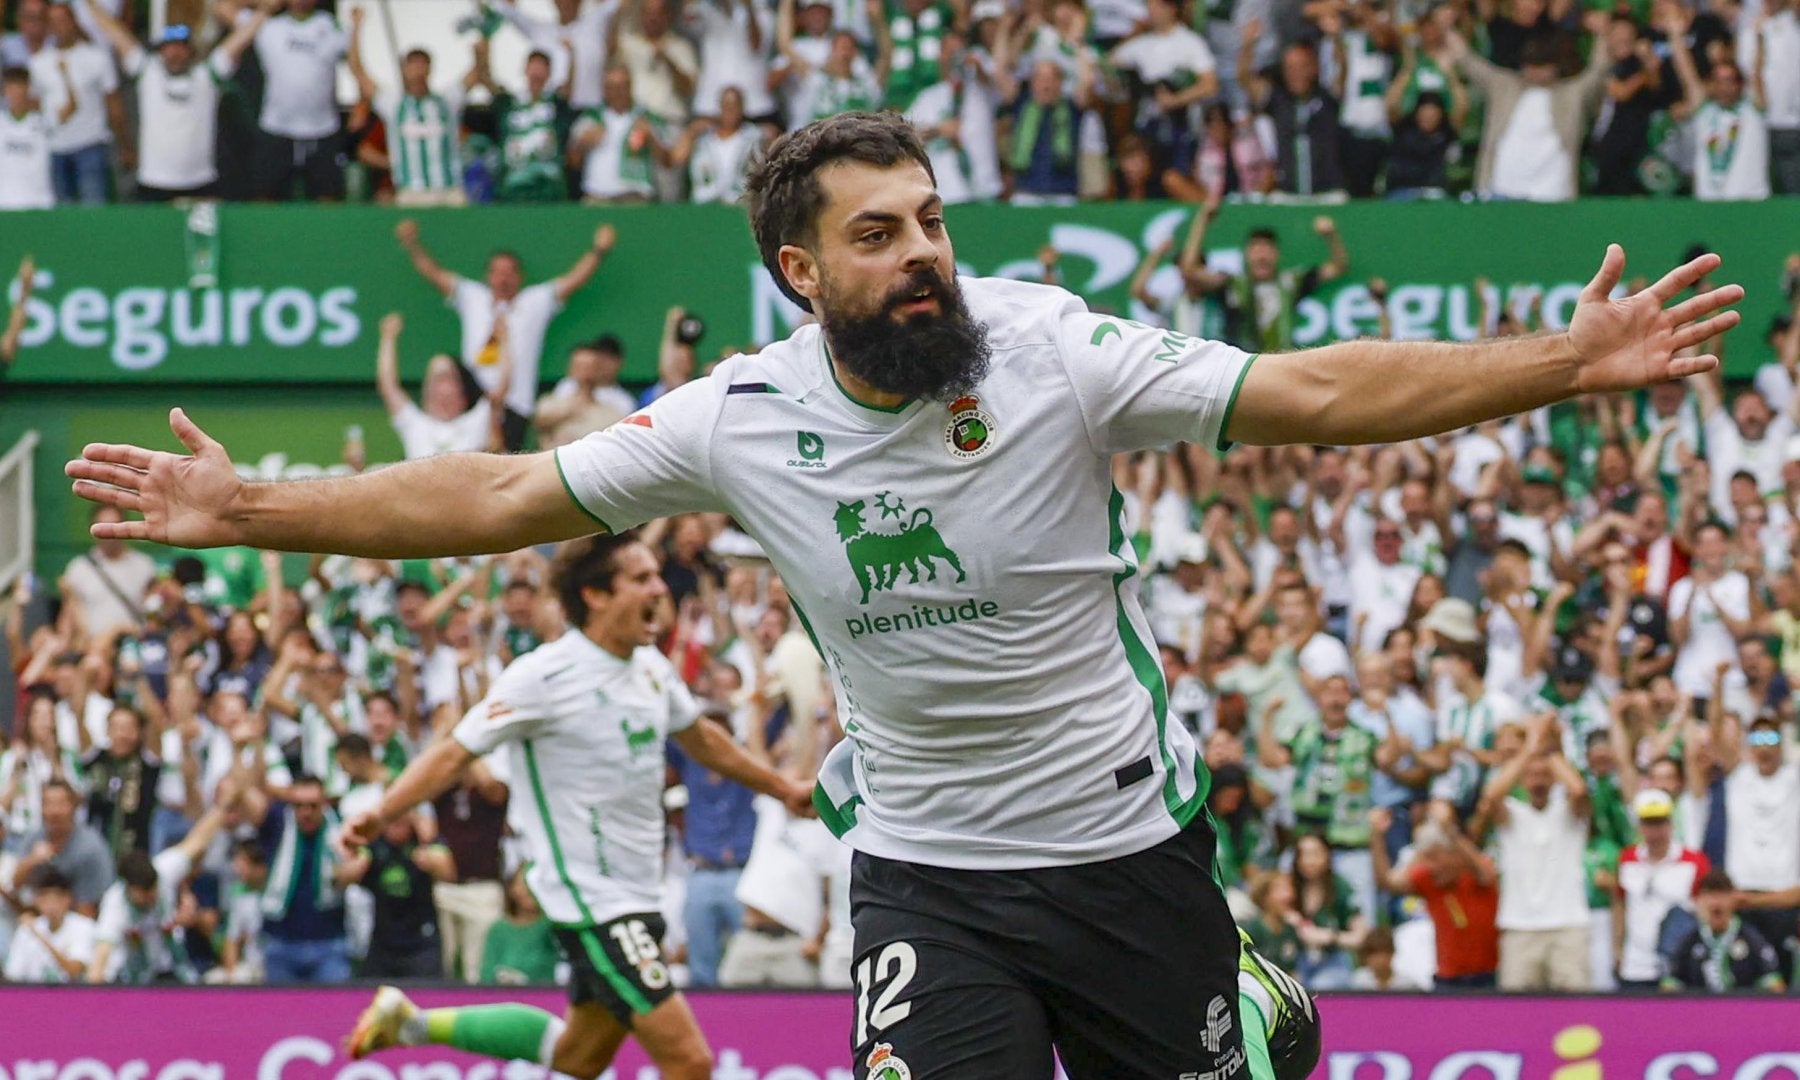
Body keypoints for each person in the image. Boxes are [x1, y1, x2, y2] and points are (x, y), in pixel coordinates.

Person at [69, 110, 1740, 1078]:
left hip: (1129, 858)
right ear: (803, 271)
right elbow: (501, 490)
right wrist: (253, 506)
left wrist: (1554, 366)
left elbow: (1312, 392)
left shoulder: (1059, 353)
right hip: (931, 881)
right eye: (881, 232)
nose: (926, 250)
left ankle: (1247, 985)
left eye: (933, 219)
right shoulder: (741, 415)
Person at [341, 534, 813, 1080]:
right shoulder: (544, 676)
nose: (659, 588)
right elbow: (455, 752)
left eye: (657, 576)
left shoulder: (651, 668)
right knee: (690, 1061)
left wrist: (782, 788)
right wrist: (381, 813)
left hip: (639, 895)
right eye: (641, 579)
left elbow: (702, 740)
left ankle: (410, 1026)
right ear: (594, 594)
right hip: (591, 899)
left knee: (577, 1057)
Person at [394, 218, 616, 452]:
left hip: (515, 403)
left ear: (520, 276)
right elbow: (436, 275)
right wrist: (412, 245)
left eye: (510, 272)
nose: (503, 278)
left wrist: (599, 251)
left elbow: (573, 280)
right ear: (488, 276)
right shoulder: (473, 297)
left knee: (507, 465)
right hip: (474, 401)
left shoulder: (535, 301)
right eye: (497, 272)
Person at [82, 0, 271, 201]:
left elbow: (239, 41)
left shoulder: (206, 75)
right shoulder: (147, 72)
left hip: (200, 182)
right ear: (161, 50)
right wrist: (88, 5)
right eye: (170, 48)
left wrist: (265, 11)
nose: (175, 53)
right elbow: (116, 34)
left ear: (191, 51)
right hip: (153, 182)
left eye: (181, 47)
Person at [1475, 714, 1594, 992]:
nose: (1537, 781)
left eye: (1544, 775)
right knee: (1517, 1016)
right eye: (1531, 775)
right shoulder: (1514, 815)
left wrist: (1549, 749)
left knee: (1574, 1009)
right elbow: (1492, 797)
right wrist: (1529, 748)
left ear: (1554, 779)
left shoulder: (1568, 815)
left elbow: (1578, 789)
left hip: (1568, 924)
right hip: (1520, 926)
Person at [87, 789, 233, 983]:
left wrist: (224, 805)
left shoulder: (164, 870)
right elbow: (101, 957)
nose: (152, 897)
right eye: (146, 894)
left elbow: (198, 840)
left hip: (174, 971)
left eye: (154, 890)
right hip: (135, 980)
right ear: (130, 889)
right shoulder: (115, 903)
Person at [347, 8, 477, 208]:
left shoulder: (447, 101)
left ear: (430, 68)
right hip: (411, 193)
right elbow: (358, 71)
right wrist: (356, 28)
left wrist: (483, 40)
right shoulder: (393, 103)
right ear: (404, 69)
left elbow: (476, 73)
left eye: (422, 64)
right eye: (412, 64)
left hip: (449, 190)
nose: (417, 70)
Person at [1369, 804, 1500, 988]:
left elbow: (1487, 874)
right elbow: (1388, 883)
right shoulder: (1429, 880)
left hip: (1486, 977)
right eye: (1426, 858)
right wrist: (1376, 836)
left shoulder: (1475, 874)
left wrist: (1449, 830)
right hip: (1447, 979)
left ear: (1453, 853)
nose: (1429, 866)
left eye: (1433, 857)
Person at [375, 312, 508, 461]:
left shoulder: (476, 421)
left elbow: (502, 387)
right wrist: (388, 337)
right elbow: (388, 385)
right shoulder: (415, 424)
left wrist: (504, 341)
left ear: (461, 390)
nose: (439, 386)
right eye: (434, 378)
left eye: (446, 377)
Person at [1615, 787, 1709, 991]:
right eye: (1648, 823)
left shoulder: (1694, 862)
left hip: (1678, 966)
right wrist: (1618, 949)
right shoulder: (1627, 859)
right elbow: (1621, 905)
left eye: (1660, 822)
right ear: (1639, 825)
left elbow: (1703, 911)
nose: (1655, 831)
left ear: (1671, 822)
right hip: (1636, 964)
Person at [27, 2, 121, 205]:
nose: (59, 26)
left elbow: (113, 103)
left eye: (63, 20)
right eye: (53, 22)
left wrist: (124, 144)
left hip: (90, 145)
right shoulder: (38, 62)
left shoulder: (97, 57)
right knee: (61, 215)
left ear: (74, 21)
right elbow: (34, 108)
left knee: (93, 211)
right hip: (54, 149)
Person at [1662, 869, 1786, 991]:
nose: (1716, 902)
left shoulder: (1753, 940)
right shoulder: (1687, 943)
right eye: (1709, 895)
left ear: (1734, 900)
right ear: (1698, 902)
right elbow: (1669, 989)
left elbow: (1775, 987)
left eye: (1722, 895)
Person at [11, 778, 113, 916]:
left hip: (79, 921)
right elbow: (15, 884)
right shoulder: (34, 838)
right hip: (39, 917)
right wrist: (31, 861)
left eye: (61, 804)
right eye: (48, 804)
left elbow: (88, 910)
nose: (54, 811)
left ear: (74, 806)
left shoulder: (90, 847)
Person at [3, 866, 94, 982]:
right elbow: (13, 975)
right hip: (33, 995)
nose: (51, 906)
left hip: (73, 995)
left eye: (57, 898)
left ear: (68, 898)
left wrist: (40, 936)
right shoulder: (27, 928)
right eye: (45, 898)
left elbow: (74, 970)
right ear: (36, 900)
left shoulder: (84, 926)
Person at [0, 66, 57, 210]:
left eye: (20, 87)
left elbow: (71, 109)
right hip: (5, 204)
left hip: (39, 203)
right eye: (11, 88)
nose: (16, 93)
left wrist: (65, 73)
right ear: (4, 90)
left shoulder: (43, 120)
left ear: (28, 89)